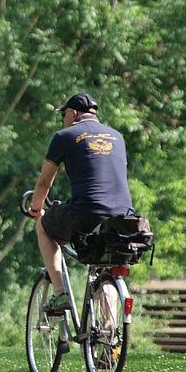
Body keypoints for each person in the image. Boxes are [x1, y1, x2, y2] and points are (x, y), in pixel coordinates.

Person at [26, 92, 134, 315]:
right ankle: (109, 332)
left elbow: (44, 182)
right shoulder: (117, 137)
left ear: (73, 113)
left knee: (43, 227)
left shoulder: (65, 135)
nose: (63, 119)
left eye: (63, 114)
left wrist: (36, 210)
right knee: (104, 268)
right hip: (124, 217)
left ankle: (59, 292)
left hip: (86, 212)